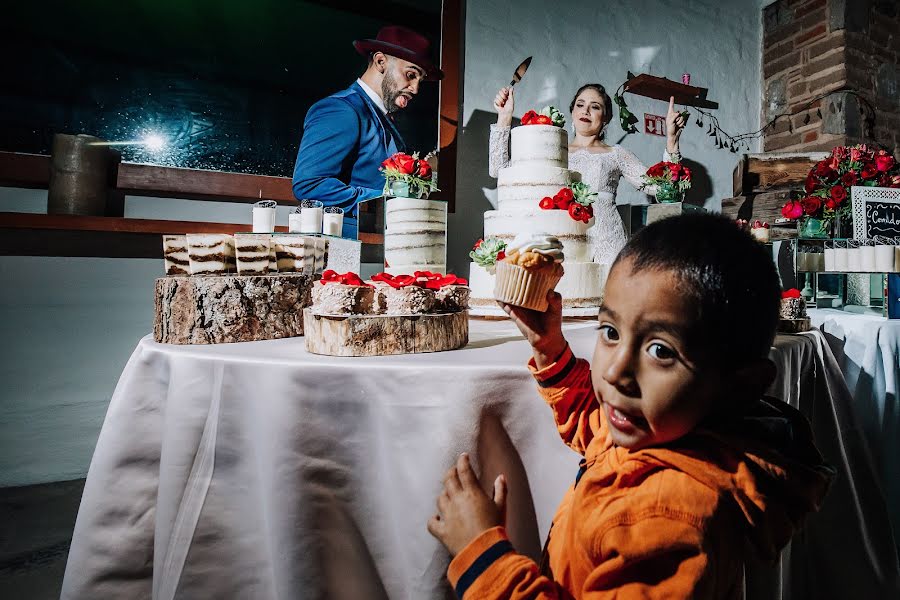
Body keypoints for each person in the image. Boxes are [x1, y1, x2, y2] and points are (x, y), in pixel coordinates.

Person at [428, 213, 834, 598]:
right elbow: (598, 435)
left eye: (661, 351)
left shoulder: (667, 520)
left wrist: (483, 559)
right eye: (610, 331)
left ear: (740, 386)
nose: (616, 372)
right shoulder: (665, 430)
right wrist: (549, 349)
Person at [490, 84, 686, 265]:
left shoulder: (616, 154)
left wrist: (671, 141)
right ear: (572, 111)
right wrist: (504, 117)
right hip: (564, 237)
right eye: (580, 104)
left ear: (606, 117)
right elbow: (501, 171)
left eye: (595, 107)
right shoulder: (553, 149)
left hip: (608, 239)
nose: (585, 110)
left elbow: (660, 188)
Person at [292, 25, 442, 238]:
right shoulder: (341, 109)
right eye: (410, 75)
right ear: (381, 61)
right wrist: (386, 202)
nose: (415, 89)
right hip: (342, 250)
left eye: (420, 80)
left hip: (380, 248)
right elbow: (310, 185)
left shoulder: (384, 120)